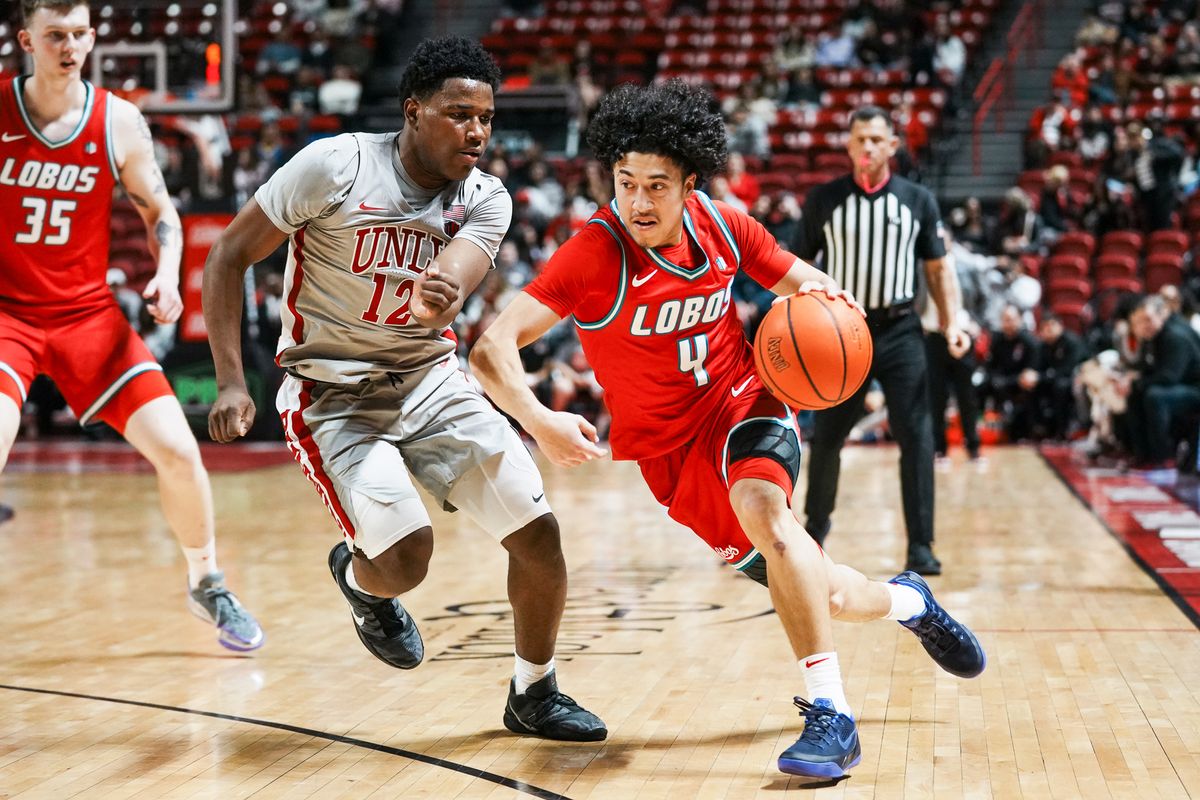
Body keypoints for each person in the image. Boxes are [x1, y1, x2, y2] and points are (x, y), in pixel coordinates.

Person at [469, 81, 985, 780]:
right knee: (829, 592)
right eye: (626, 183)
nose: (640, 201)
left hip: (747, 403)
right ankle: (907, 601)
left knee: (768, 517)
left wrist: (832, 324)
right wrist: (538, 420)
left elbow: (810, 283)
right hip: (670, 459)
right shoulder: (595, 255)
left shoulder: (722, 223)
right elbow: (491, 348)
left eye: (657, 184)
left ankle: (832, 715)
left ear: (689, 182)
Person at [202, 36, 605, 742]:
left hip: (428, 379)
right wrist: (232, 380)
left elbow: (455, 276)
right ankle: (361, 581)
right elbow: (229, 254)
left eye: (485, 116)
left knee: (540, 538)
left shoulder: (486, 197)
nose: (477, 131)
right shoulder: (336, 165)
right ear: (413, 112)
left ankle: (533, 694)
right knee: (404, 562)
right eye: (459, 114)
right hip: (334, 393)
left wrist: (440, 293)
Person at [0, 0, 262, 649]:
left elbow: (159, 211)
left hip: (88, 316)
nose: (70, 45)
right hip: (7, 315)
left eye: (80, 33)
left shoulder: (117, 120)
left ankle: (207, 582)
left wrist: (168, 273)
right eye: (55, 34)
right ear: (25, 38)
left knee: (177, 449)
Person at [790, 106, 968, 575]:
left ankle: (921, 546)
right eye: (859, 139)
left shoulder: (917, 200)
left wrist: (953, 324)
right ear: (848, 146)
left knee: (918, 436)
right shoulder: (824, 199)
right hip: (843, 331)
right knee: (827, 438)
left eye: (876, 139)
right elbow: (794, 265)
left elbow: (936, 268)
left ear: (893, 145)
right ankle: (814, 532)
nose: (867, 147)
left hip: (901, 329)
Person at [1115, 294, 1200, 468]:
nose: (1143, 326)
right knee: (1136, 393)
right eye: (1139, 322)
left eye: (1147, 319)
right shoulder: (1155, 334)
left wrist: (1136, 382)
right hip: (1179, 385)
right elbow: (1150, 368)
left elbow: (1169, 377)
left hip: (1194, 388)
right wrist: (1132, 379)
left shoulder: (1175, 336)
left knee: (1155, 396)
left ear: (1161, 315)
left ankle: (1163, 457)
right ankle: (1142, 454)